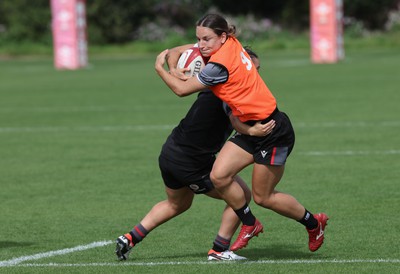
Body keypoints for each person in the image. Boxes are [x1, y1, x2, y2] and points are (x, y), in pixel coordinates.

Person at [155, 13, 329, 253]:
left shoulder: (219, 66)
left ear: (223, 36)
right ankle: (249, 223)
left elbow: (182, 91)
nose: (201, 45)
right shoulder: (230, 42)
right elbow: (175, 51)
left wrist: (161, 70)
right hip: (251, 130)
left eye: (206, 39)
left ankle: (313, 222)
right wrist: (175, 67)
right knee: (219, 176)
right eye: (198, 39)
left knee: (263, 197)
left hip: (272, 130)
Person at [115, 46, 275, 261]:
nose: (255, 74)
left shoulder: (214, 79)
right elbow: (236, 120)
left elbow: (177, 50)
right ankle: (219, 250)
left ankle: (129, 238)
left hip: (172, 150)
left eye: (258, 70)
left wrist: (172, 67)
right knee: (242, 195)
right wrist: (252, 131)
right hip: (191, 161)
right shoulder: (231, 89)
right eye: (252, 69)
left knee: (177, 204)